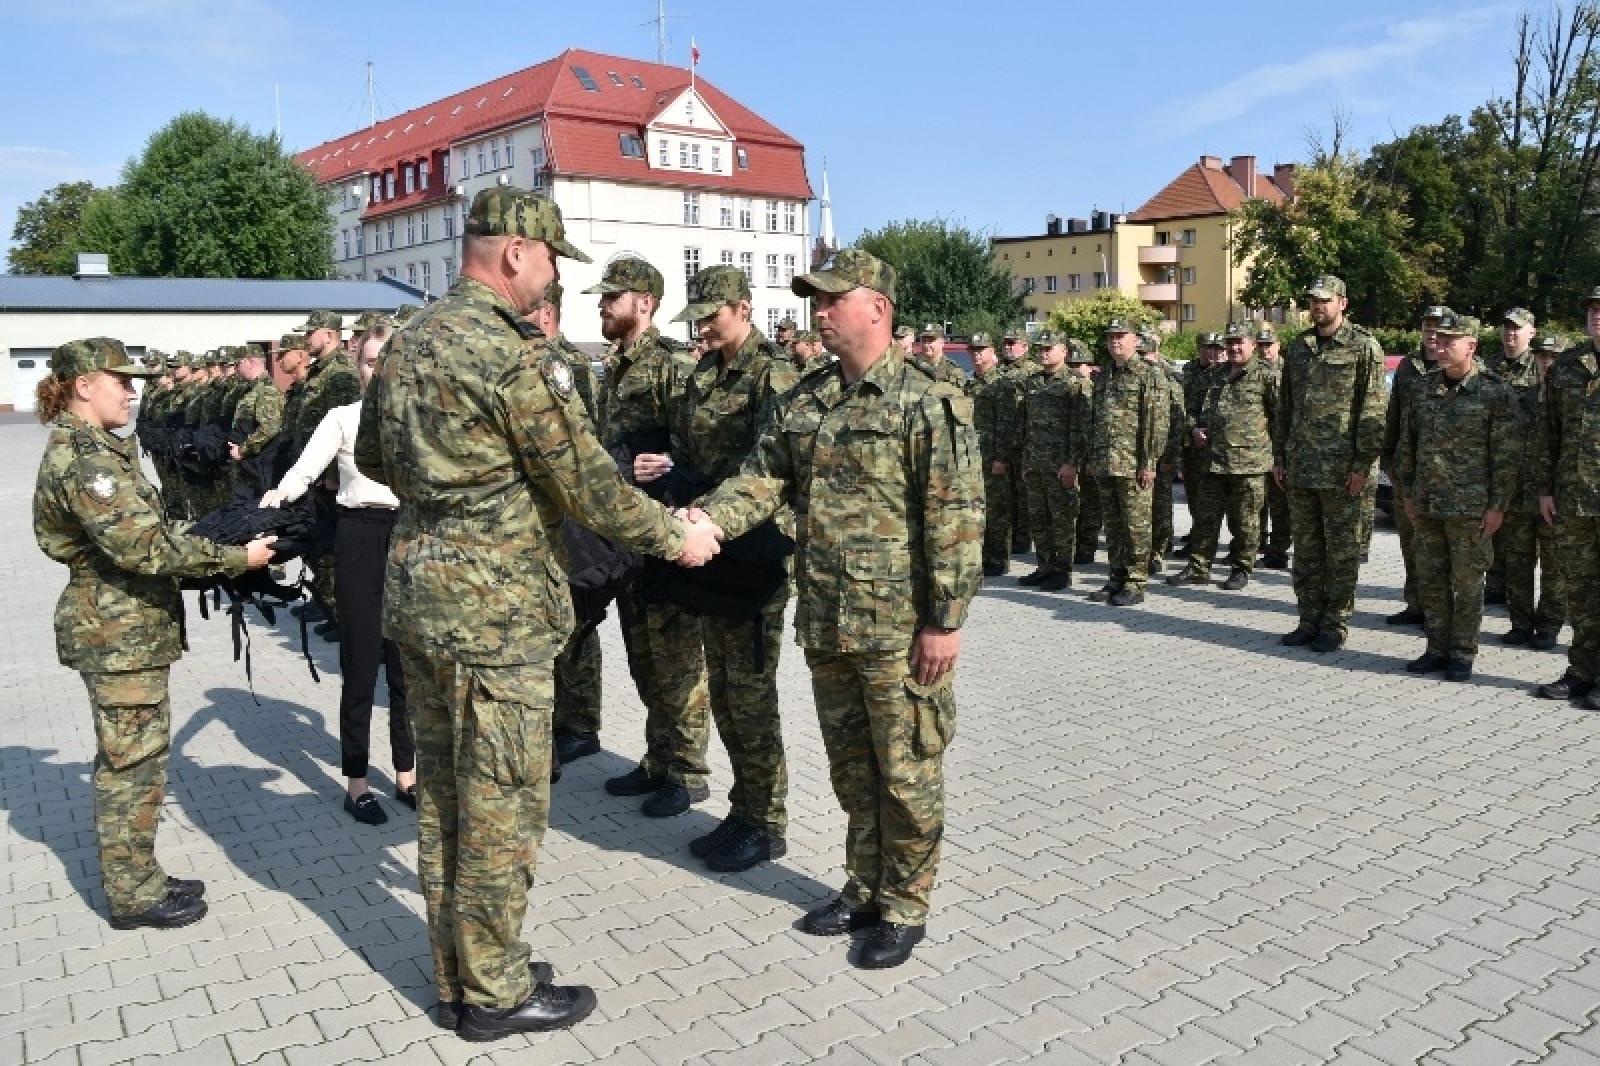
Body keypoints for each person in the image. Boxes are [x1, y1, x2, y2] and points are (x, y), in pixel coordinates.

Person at [354, 187, 723, 1041]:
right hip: (497, 613)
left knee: (447, 796)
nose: (554, 277)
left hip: (421, 596)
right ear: (515, 251)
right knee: (501, 805)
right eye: (553, 259)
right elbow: (589, 483)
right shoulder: (508, 355)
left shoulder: (409, 343)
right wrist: (677, 537)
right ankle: (493, 991)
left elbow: (375, 453)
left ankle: (463, 969)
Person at [697, 248, 983, 970]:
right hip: (827, 619)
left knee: (908, 770)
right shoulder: (808, 400)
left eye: (831, 300)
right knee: (853, 770)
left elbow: (956, 517)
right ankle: (863, 887)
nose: (818, 313)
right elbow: (760, 482)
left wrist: (944, 621)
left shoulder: (928, 399)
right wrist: (703, 523)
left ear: (876, 308)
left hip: (899, 630)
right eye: (813, 302)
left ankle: (906, 904)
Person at [33, 337, 277, 930]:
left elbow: (151, 529)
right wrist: (231, 557)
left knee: (137, 760)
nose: (132, 389)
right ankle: (132, 895)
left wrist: (210, 531)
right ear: (84, 384)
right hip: (116, 630)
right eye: (120, 379)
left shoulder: (100, 450)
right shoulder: (89, 462)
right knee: (130, 768)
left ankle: (139, 874)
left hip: (126, 627)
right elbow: (143, 546)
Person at [634, 263, 799, 871]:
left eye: (712, 317)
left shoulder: (774, 374)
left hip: (753, 551)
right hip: (707, 545)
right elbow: (692, 446)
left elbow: (771, 468)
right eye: (697, 318)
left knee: (751, 694)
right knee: (724, 694)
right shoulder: (702, 373)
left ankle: (767, 820)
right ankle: (743, 809)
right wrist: (666, 468)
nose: (702, 329)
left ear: (745, 309)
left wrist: (695, 489)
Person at [264, 320, 412, 826]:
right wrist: (278, 496)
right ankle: (357, 782)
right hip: (361, 537)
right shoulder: (343, 418)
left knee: (406, 667)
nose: (380, 369)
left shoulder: (421, 414)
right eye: (371, 361)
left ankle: (408, 773)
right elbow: (305, 469)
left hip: (410, 540)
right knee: (362, 660)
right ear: (359, 364)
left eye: (387, 359)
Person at [586, 257, 717, 818]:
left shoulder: (671, 367)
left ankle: (687, 773)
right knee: (643, 656)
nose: (601, 305)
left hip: (666, 532)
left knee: (678, 660)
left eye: (611, 297)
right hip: (629, 538)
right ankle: (659, 758)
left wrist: (668, 469)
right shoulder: (613, 367)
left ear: (645, 302)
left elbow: (697, 451)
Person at [1396, 313, 1519, 682]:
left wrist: (1498, 506)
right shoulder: (1424, 388)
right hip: (1428, 504)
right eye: (1439, 337)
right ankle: (1436, 649)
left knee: (1467, 585)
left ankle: (1462, 654)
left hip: (1471, 509)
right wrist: (1407, 492)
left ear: (1472, 346)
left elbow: (1506, 457)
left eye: (1452, 340)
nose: (1442, 344)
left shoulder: (1496, 392)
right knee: (1431, 579)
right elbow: (1408, 445)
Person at [1275, 275, 1387, 653]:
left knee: (1341, 553)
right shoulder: (1300, 346)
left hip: (1342, 472)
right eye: (1313, 301)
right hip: (1303, 467)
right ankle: (1308, 619)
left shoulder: (1364, 347)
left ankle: (1334, 625)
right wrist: (1280, 456)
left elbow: (1372, 410)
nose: (1318, 307)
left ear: (1343, 302)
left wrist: (1361, 466)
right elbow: (1285, 407)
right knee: (1306, 551)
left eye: (1325, 300)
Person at [530, 281, 606, 772]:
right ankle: (560, 716)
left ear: (546, 313)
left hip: (571, 518)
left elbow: (584, 441)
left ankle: (581, 724)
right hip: (542, 518)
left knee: (577, 626)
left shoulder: (566, 363)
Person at [1170, 323, 1279, 590]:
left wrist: (1279, 459)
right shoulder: (1215, 375)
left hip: (1249, 464)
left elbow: (1280, 418)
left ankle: (1242, 567)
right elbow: (1193, 408)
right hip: (1213, 461)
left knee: (1244, 522)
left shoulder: (1267, 376)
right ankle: (1198, 567)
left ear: (1253, 344)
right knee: (1205, 518)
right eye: (1230, 342)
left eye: (1240, 342)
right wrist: (1194, 428)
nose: (1234, 347)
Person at [1535, 288, 1600, 707]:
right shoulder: (1569, 366)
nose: (1598, 317)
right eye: (1593, 309)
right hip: (1575, 500)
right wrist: (1544, 487)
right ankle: (1582, 671)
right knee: (1581, 591)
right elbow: (1548, 431)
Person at [1084, 318, 1168, 606]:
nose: (1115, 341)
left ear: (1135, 340)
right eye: (1111, 336)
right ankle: (1116, 577)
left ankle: (1135, 581)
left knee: (1136, 526)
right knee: (1114, 526)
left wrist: (1149, 462)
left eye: (1121, 336)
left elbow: (1156, 422)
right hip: (1106, 461)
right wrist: (1094, 457)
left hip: (1134, 465)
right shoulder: (1105, 374)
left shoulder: (1148, 374)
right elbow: (1096, 419)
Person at [294, 311, 362, 639]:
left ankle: (345, 617)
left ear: (330, 335)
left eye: (312, 333)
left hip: (333, 478)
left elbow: (348, 428)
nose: (307, 338)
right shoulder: (321, 372)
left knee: (337, 550)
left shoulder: (340, 374)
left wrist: (335, 474)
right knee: (323, 544)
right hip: (318, 475)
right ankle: (333, 610)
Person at [1485, 307, 1550, 644]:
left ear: (1531, 332)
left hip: (1544, 484)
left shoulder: (1546, 366)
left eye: (1518, 329)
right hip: (1510, 485)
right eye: (1506, 329)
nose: (1511, 334)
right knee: (1517, 562)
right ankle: (1521, 624)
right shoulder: (1489, 369)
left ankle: (1549, 627)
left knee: (1553, 565)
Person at [1380, 306, 1448, 627]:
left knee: (1440, 550)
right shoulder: (1408, 366)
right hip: (1408, 470)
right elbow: (1394, 413)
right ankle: (1415, 604)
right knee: (1409, 542)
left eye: (1438, 329)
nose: (1432, 335)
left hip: (1445, 475)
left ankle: (1440, 614)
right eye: (1427, 328)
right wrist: (1388, 457)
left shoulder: (1458, 366)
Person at [1017, 332, 1090, 591]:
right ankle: (1044, 566)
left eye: (1049, 348)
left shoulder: (1075, 383)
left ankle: (1062, 571)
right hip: (1035, 462)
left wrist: (1073, 463)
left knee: (1062, 520)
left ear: (1064, 352)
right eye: (1041, 348)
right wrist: (1026, 462)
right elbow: (1026, 425)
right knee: (1038, 519)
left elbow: (1081, 428)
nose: (1044, 352)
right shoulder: (1032, 382)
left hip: (1061, 465)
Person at [1141, 328, 1184, 574]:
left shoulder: (1168, 378)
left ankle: (1158, 550)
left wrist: (1171, 456)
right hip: (1136, 456)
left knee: (1160, 506)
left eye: (1147, 355)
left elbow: (1177, 418)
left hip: (1162, 454)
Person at [969, 332, 1012, 576]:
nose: (977, 354)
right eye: (973, 350)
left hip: (993, 456)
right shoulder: (970, 383)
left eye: (981, 350)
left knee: (997, 510)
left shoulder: (1000, 384)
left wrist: (1001, 457)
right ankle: (982, 556)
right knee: (977, 510)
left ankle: (998, 559)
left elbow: (1006, 424)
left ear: (991, 351)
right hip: (973, 456)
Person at [227, 342, 286, 497]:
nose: (236, 369)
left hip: (258, 465)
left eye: (238, 364)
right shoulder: (251, 389)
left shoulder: (266, 389)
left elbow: (269, 427)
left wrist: (243, 449)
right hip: (248, 466)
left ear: (251, 362)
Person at [998, 328, 1037, 556]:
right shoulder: (1000, 371)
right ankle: (1010, 535)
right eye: (1006, 343)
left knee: (1024, 494)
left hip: (1024, 440)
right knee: (1006, 493)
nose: (1009, 347)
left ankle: (1023, 537)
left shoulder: (1031, 372)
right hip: (1003, 439)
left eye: (1014, 344)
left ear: (1025, 346)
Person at [1256, 325, 1291, 568]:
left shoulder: (1288, 370)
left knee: (1279, 504)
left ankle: (1278, 550)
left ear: (1278, 346)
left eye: (1269, 345)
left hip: (1278, 447)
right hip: (1258, 448)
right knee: (1259, 502)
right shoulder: (1253, 371)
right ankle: (1256, 542)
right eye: (1261, 345)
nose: (1265, 349)